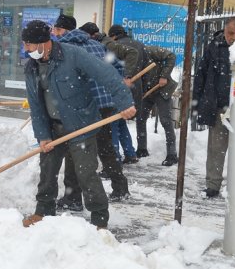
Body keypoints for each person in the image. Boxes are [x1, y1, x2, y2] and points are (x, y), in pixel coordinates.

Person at [20, 20, 136, 230]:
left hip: (81, 125)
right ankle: (43, 212)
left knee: (86, 174)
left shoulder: (72, 55)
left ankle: (99, 220)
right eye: (25, 44)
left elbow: (106, 74)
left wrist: (125, 102)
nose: (26, 49)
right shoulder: (31, 67)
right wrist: (43, 135)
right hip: (53, 128)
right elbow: (36, 105)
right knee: (47, 172)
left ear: (44, 42)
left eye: (29, 44)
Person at [52, 14, 134, 209]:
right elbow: (116, 68)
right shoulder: (97, 45)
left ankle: (72, 198)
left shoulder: (64, 49)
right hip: (106, 104)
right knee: (106, 148)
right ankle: (120, 187)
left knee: (75, 149)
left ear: (63, 31)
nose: (54, 34)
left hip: (84, 106)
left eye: (56, 30)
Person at [193, 17, 235, 198]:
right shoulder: (214, 47)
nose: (234, 37)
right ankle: (213, 185)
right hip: (220, 108)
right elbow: (201, 75)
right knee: (215, 148)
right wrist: (198, 102)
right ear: (224, 31)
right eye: (230, 33)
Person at [108, 24, 151, 158]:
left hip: (120, 86)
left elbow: (109, 67)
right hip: (136, 86)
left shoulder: (115, 46)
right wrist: (143, 87)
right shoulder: (140, 44)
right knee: (121, 121)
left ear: (114, 35)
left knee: (113, 122)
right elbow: (146, 66)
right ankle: (130, 153)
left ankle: (115, 157)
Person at [141, 45, 179, 166]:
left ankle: (172, 154)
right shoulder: (129, 58)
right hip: (145, 91)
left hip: (161, 89)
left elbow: (171, 56)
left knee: (165, 121)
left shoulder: (148, 50)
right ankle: (141, 150)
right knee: (140, 119)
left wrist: (163, 76)